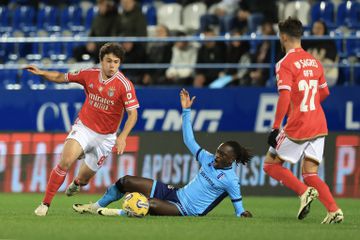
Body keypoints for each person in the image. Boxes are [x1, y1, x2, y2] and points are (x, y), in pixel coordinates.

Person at [72, 89, 253, 218]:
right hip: (176, 194)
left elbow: (239, 208)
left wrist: (242, 213)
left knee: (148, 204)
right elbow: (189, 141)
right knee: (127, 181)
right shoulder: (208, 158)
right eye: (218, 151)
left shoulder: (231, 180)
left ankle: (116, 213)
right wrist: (186, 111)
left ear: (232, 159)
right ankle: (95, 207)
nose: (217, 156)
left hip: (186, 210)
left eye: (222, 155)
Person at [25, 42, 140, 216]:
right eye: (109, 61)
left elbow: (133, 115)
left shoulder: (124, 85)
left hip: (106, 138)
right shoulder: (89, 74)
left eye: (116, 62)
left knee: (84, 179)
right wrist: (42, 73)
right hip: (84, 128)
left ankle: (76, 183)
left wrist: (122, 136)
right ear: (101, 61)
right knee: (65, 162)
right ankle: (45, 204)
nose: (112, 65)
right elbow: (61, 77)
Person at [263, 17, 344, 224]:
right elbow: (324, 92)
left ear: (283, 37)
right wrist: (310, 105)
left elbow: (284, 96)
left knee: (270, 165)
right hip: (319, 123)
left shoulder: (284, 63)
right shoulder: (314, 61)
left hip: (298, 125)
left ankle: (304, 192)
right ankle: (334, 210)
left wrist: (275, 126)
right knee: (310, 173)